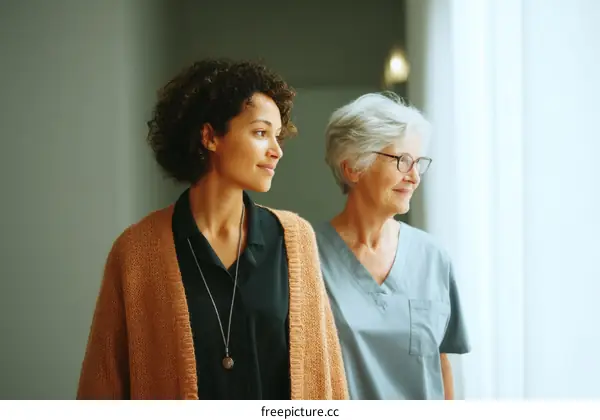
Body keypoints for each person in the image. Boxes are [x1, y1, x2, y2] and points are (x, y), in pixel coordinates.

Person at [77, 59, 348, 400]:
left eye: (277, 137)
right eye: (261, 133)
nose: (276, 151)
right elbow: (103, 384)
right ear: (210, 137)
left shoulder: (295, 239)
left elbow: (327, 377)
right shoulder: (136, 251)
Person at [314, 92, 470, 400]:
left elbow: (441, 363)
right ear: (353, 168)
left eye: (418, 163)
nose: (413, 177)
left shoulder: (433, 257)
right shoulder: (306, 255)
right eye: (402, 161)